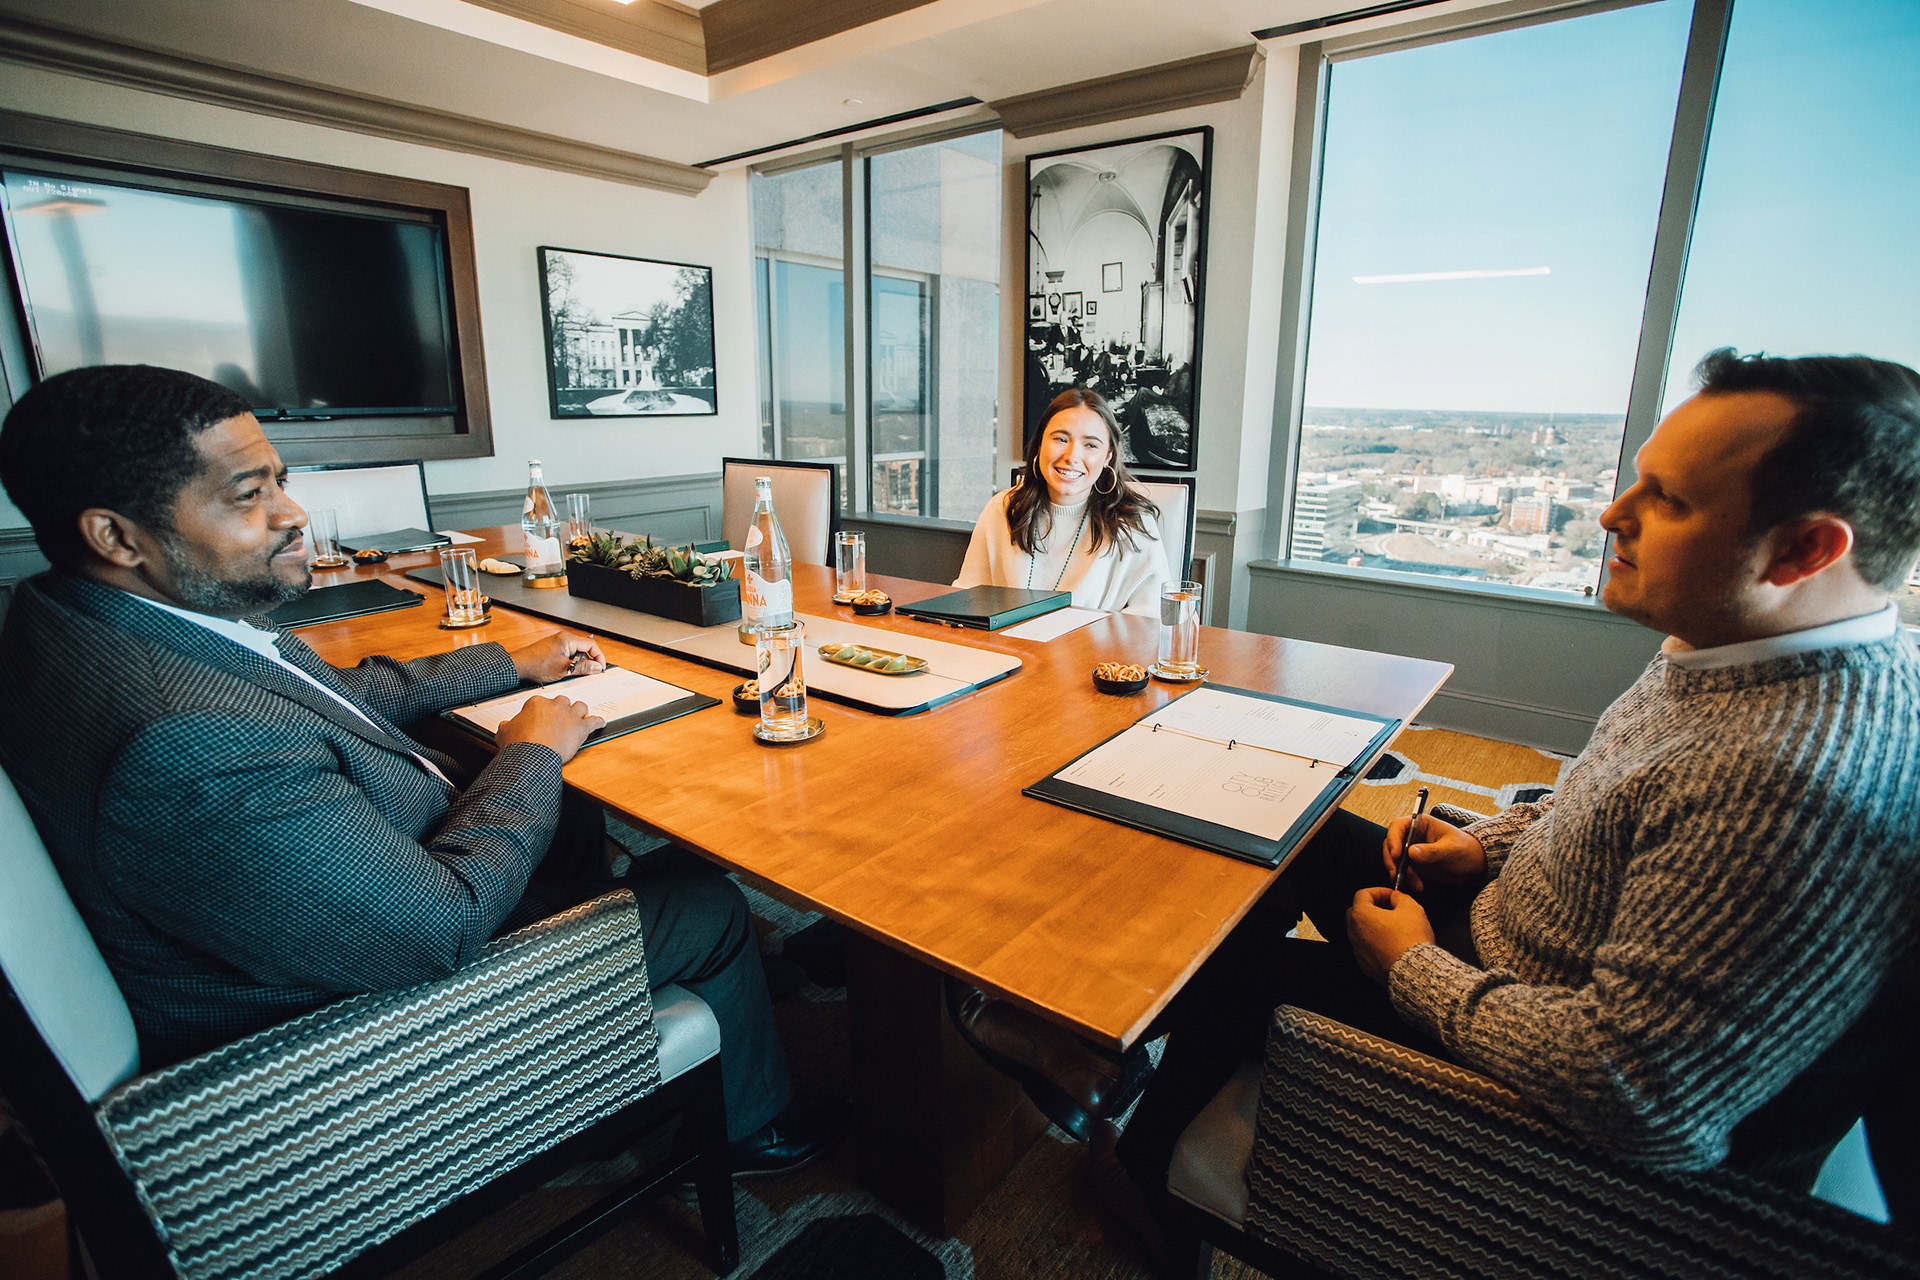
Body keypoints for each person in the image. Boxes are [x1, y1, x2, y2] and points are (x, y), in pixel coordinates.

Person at [1100, 349, 1920, 1238]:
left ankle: (1149, 1180)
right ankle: (1110, 1036)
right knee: (1273, 828)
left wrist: (1412, 968)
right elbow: (1602, 801)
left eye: (1669, 500)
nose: (1612, 514)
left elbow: (1641, 1103)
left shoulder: (1789, 787)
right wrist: (1486, 845)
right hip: (1501, 930)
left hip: (1513, 1043)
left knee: (1240, 978)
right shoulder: (1733, 643)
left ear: (1806, 549)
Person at [0, 365, 838, 1172]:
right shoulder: (184, 741)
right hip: (351, 1026)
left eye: (280, 480)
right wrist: (529, 753)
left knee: (578, 816)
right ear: (115, 535)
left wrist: (512, 662)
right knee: (705, 898)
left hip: (312, 912)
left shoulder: (88, 618)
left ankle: (668, 1002)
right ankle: (754, 1131)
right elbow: (437, 926)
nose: (295, 514)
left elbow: (322, 695)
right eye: (249, 495)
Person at [955, 388, 1171, 615]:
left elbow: (1152, 619)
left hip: (1094, 650)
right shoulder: (1002, 509)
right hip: (1007, 648)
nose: (1072, 456)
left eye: (1090, 445)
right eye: (1060, 439)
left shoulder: (1132, 523)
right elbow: (967, 599)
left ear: (1108, 456)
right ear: (1039, 444)